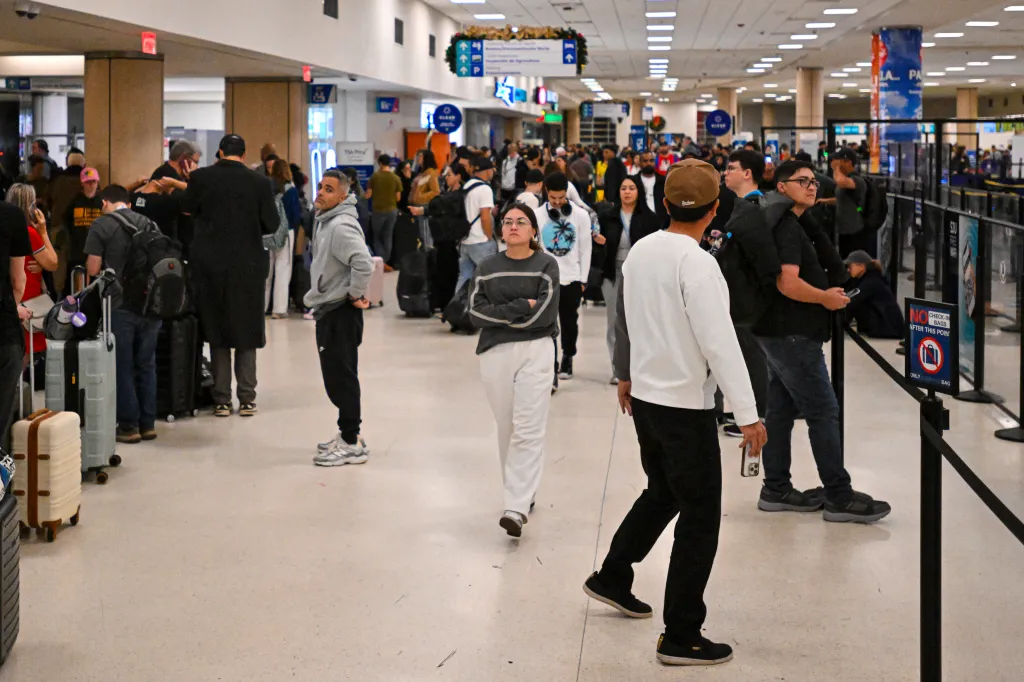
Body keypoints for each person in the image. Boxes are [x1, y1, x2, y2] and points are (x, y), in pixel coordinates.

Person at [583, 159, 767, 667]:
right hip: (684, 407)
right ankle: (682, 633)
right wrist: (749, 415)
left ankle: (613, 575)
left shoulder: (642, 250)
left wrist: (624, 372)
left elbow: (625, 318)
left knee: (663, 491)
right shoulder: (699, 263)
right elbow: (720, 344)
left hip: (644, 399)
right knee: (700, 515)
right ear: (714, 212)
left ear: (664, 205)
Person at [754, 160, 891, 523]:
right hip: (792, 333)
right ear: (781, 186)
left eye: (815, 181)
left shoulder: (793, 221)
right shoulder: (785, 226)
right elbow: (787, 282)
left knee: (781, 410)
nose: (813, 186)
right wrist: (824, 298)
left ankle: (776, 487)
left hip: (779, 330)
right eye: (802, 181)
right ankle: (839, 495)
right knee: (822, 411)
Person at [469, 202, 560, 537]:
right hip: (495, 353)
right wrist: (522, 307)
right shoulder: (487, 266)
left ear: (534, 230)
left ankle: (516, 506)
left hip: (537, 351)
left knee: (528, 427)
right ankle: (522, 491)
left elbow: (546, 315)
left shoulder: (546, 265)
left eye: (521, 222)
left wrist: (505, 314)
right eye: (507, 222)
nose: (513, 226)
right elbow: (476, 313)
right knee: (506, 425)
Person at [183, 134, 278, 418]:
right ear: (244, 153)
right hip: (248, 265)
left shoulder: (201, 178)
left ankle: (222, 399)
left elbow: (187, 209)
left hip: (210, 265)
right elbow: (272, 223)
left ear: (220, 152)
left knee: (217, 329)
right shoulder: (260, 182)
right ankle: (247, 398)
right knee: (247, 329)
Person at [305, 170, 375, 467]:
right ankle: (349, 435)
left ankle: (350, 442)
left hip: (339, 312)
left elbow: (363, 262)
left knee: (340, 377)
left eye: (329, 189)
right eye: (320, 186)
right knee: (338, 375)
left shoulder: (340, 226)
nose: (320, 192)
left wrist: (354, 294)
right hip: (330, 308)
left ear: (343, 197)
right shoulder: (326, 221)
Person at [83, 185, 162, 443]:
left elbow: (93, 268)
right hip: (151, 305)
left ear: (105, 202)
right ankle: (148, 423)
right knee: (147, 364)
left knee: (123, 365)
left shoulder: (101, 225)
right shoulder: (150, 223)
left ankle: (129, 426)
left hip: (118, 306)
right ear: (127, 202)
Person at [596, 176, 661, 384]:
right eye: (623, 188)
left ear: (638, 191)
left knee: (641, 321)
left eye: (631, 188)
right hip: (613, 273)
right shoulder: (608, 217)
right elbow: (601, 247)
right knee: (614, 322)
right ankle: (618, 369)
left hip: (640, 273)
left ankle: (641, 366)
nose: (627, 192)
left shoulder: (649, 218)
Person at [538, 172, 592, 381]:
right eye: (553, 198)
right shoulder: (537, 215)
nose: (558, 202)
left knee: (570, 322)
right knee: (547, 323)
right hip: (546, 279)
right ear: (547, 194)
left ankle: (568, 355)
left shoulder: (581, 215)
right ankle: (550, 363)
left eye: (561, 198)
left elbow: (585, 248)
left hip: (572, 277)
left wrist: (583, 279)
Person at [4, 184, 57, 380]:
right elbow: (52, 262)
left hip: (10, 297)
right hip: (27, 298)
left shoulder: (6, 228)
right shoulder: (29, 233)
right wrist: (43, 231)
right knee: (22, 357)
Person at [43, 151, 86, 295]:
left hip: (58, 226)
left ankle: (58, 295)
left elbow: (47, 201)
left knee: (59, 262)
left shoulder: (57, 180)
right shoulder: (84, 180)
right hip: (81, 228)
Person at [453, 155, 497, 293]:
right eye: (492, 169)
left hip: (465, 240)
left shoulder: (467, 185)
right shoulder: (485, 189)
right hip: (480, 241)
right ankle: (491, 311)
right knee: (490, 278)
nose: (493, 173)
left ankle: (455, 311)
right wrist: (489, 237)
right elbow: (485, 217)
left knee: (464, 276)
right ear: (486, 170)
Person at [265, 159, 300, 319]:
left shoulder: (266, 186)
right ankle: (278, 309)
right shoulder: (290, 189)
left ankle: (262, 306)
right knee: (283, 269)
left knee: (266, 271)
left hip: (267, 232)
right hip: (286, 232)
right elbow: (294, 215)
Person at [843, 250, 904, 338]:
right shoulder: (865, 279)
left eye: (850, 266)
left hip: (888, 329)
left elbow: (851, 300)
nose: (848, 269)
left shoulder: (871, 281)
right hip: (886, 327)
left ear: (861, 266)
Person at [63, 167, 104, 294]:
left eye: (93, 182)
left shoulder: (102, 202)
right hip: (78, 248)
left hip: (97, 250)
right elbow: (67, 220)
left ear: (98, 182)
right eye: (88, 182)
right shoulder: (75, 201)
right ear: (82, 183)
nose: (91, 185)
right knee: (76, 286)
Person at [827, 148, 869, 257]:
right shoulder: (845, 178)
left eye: (839, 160)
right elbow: (842, 200)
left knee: (852, 260)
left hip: (854, 229)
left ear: (848, 162)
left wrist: (836, 168)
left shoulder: (856, 179)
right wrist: (825, 201)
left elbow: (841, 182)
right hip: (843, 229)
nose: (835, 162)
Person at [365, 154, 403, 270]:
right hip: (392, 211)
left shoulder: (374, 177)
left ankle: (380, 261)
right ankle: (385, 261)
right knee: (388, 236)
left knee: (377, 237)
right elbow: (398, 198)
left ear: (380, 163)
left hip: (378, 211)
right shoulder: (396, 178)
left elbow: (368, 195)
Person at [409, 150, 441, 247]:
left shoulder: (431, 173)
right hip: (415, 208)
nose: (419, 158)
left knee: (426, 235)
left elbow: (435, 191)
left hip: (424, 208)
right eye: (418, 156)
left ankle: (429, 257)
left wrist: (420, 197)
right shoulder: (421, 173)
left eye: (421, 156)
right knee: (420, 236)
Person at [636, 151, 669, 228]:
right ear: (640, 163)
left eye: (651, 160)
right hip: (639, 223)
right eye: (645, 161)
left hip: (660, 223)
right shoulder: (633, 181)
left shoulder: (664, 181)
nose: (648, 163)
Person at [602, 144, 628, 210]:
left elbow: (612, 183)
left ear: (613, 153)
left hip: (615, 198)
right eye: (603, 152)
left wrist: (611, 199)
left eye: (606, 152)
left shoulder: (615, 164)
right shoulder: (615, 163)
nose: (604, 154)